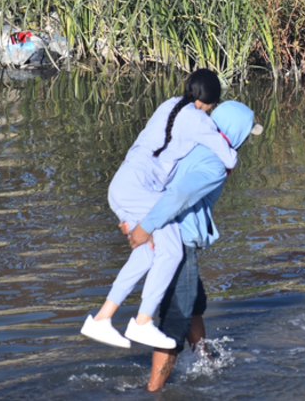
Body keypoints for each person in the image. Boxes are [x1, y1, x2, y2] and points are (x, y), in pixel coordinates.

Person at [81, 69, 238, 350]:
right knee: (173, 250)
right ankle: (142, 322)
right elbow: (229, 158)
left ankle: (102, 318)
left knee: (147, 253)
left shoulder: (169, 105)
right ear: (213, 102)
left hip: (122, 184)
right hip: (139, 189)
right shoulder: (200, 121)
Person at [119, 101, 261, 391]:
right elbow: (178, 196)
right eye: (245, 135)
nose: (245, 142)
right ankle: (154, 392)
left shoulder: (190, 144)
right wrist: (144, 229)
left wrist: (131, 218)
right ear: (235, 134)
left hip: (165, 234)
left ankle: (205, 362)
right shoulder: (213, 164)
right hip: (177, 244)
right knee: (176, 323)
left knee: (193, 304)